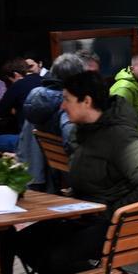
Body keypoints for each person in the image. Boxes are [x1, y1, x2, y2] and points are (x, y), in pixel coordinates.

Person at [18, 71, 138, 274]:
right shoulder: (81, 132)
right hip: (86, 216)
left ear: (86, 101)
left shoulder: (121, 137)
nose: (62, 106)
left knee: (56, 256)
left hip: (116, 224)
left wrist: (106, 212)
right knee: (22, 239)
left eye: (67, 99)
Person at [16, 53, 87, 188]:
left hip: (37, 174)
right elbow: (73, 143)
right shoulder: (67, 105)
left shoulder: (36, 99)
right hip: (70, 178)